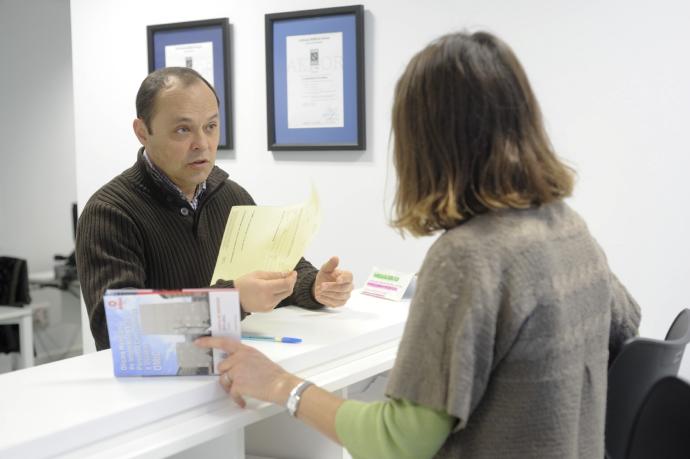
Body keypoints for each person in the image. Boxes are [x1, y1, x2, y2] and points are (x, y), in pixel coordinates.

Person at [195, 31, 641, 458]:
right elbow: (626, 325)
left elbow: (395, 441)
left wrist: (278, 385)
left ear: (424, 142)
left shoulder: (469, 256)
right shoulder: (568, 226)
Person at [76, 67, 354, 351]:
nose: (202, 144)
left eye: (210, 126)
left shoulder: (230, 196)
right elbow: (118, 327)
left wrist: (316, 287)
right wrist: (232, 301)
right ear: (142, 132)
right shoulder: (109, 213)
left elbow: (280, 268)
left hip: (231, 377)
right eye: (182, 130)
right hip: (155, 391)